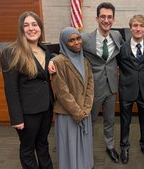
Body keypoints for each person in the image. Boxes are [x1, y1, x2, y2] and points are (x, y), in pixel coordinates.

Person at [48, 2, 123, 163]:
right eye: (103, 16)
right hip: (91, 88)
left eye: (109, 17)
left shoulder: (117, 36)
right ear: (97, 18)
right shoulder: (85, 38)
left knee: (110, 120)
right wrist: (51, 60)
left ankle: (110, 146)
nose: (106, 20)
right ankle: (84, 149)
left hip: (111, 87)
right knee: (89, 119)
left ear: (114, 20)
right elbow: (64, 48)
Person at [0, 11, 54, 169]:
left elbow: (48, 69)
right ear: (21, 29)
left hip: (46, 107)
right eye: (26, 25)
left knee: (43, 144)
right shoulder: (11, 53)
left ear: (40, 27)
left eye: (34, 24)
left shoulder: (46, 51)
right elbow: (11, 89)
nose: (31, 28)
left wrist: (55, 59)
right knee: (28, 149)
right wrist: (17, 118)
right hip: (27, 113)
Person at [51, 27, 94, 169]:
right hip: (68, 113)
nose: (76, 42)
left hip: (84, 112)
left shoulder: (85, 60)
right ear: (64, 43)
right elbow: (62, 92)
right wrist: (78, 113)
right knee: (70, 146)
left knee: (83, 144)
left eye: (78, 38)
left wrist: (86, 108)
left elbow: (90, 86)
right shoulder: (58, 62)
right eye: (71, 40)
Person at [117, 14, 144, 164]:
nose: (138, 28)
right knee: (125, 121)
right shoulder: (121, 47)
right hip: (126, 89)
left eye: (141, 26)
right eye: (135, 25)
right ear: (130, 28)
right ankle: (124, 147)